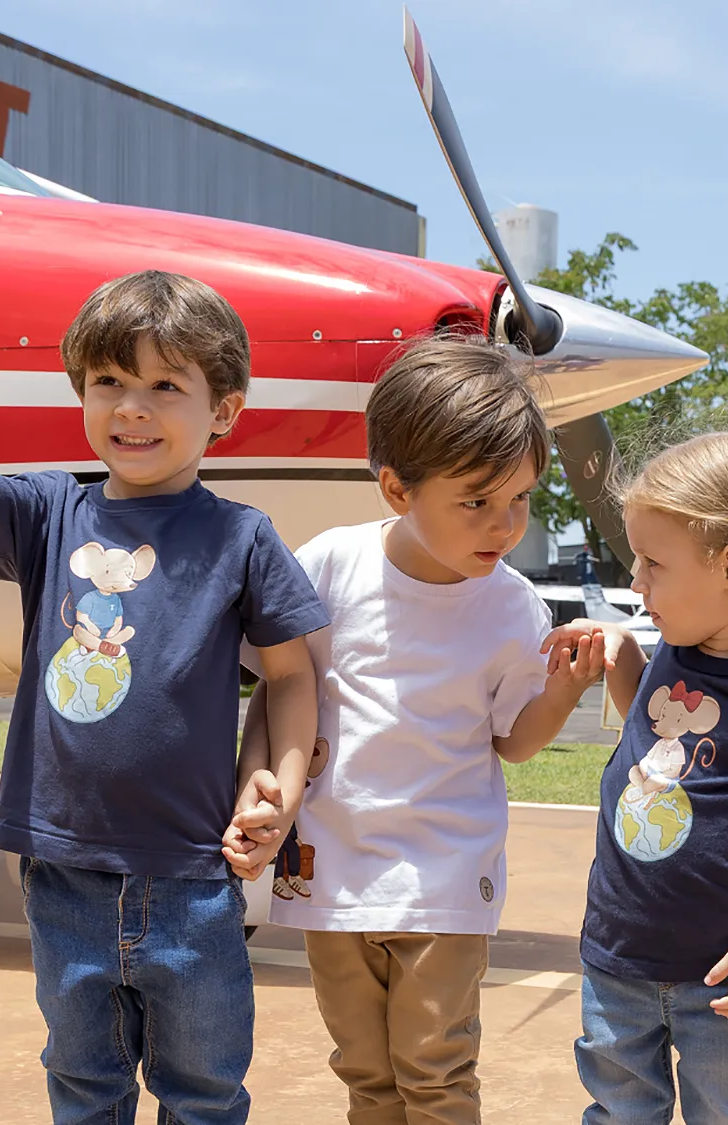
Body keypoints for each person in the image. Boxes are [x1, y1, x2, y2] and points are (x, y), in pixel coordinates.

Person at [0, 271, 328, 1123]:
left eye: (165, 386)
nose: (131, 408)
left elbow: (292, 675)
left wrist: (282, 790)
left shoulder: (241, 535)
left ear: (225, 409)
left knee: (206, 1093)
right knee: (83, 1086)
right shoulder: (49, 508)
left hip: (194, 873)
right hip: (62, 870)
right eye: (109, 382)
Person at [225, 334, 606, 1125]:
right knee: (365, 1072)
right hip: (326, 874)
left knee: (433, 1072)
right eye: (476, 500)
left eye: (521, 499)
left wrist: (564, 692)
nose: (504, 525)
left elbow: (514, 740)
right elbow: (275, 684)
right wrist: (254, 780)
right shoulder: (329, 565)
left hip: (442, 876)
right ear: (397, 487)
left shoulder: (510, 606)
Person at [542, 432, 728, 1125]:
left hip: (724, 975)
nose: (637, 582)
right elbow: (654, 735)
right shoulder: (673, 652)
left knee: (726, 1114)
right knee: (619, 1111)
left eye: (652, 564)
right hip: (619, 956)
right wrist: (620, 654)